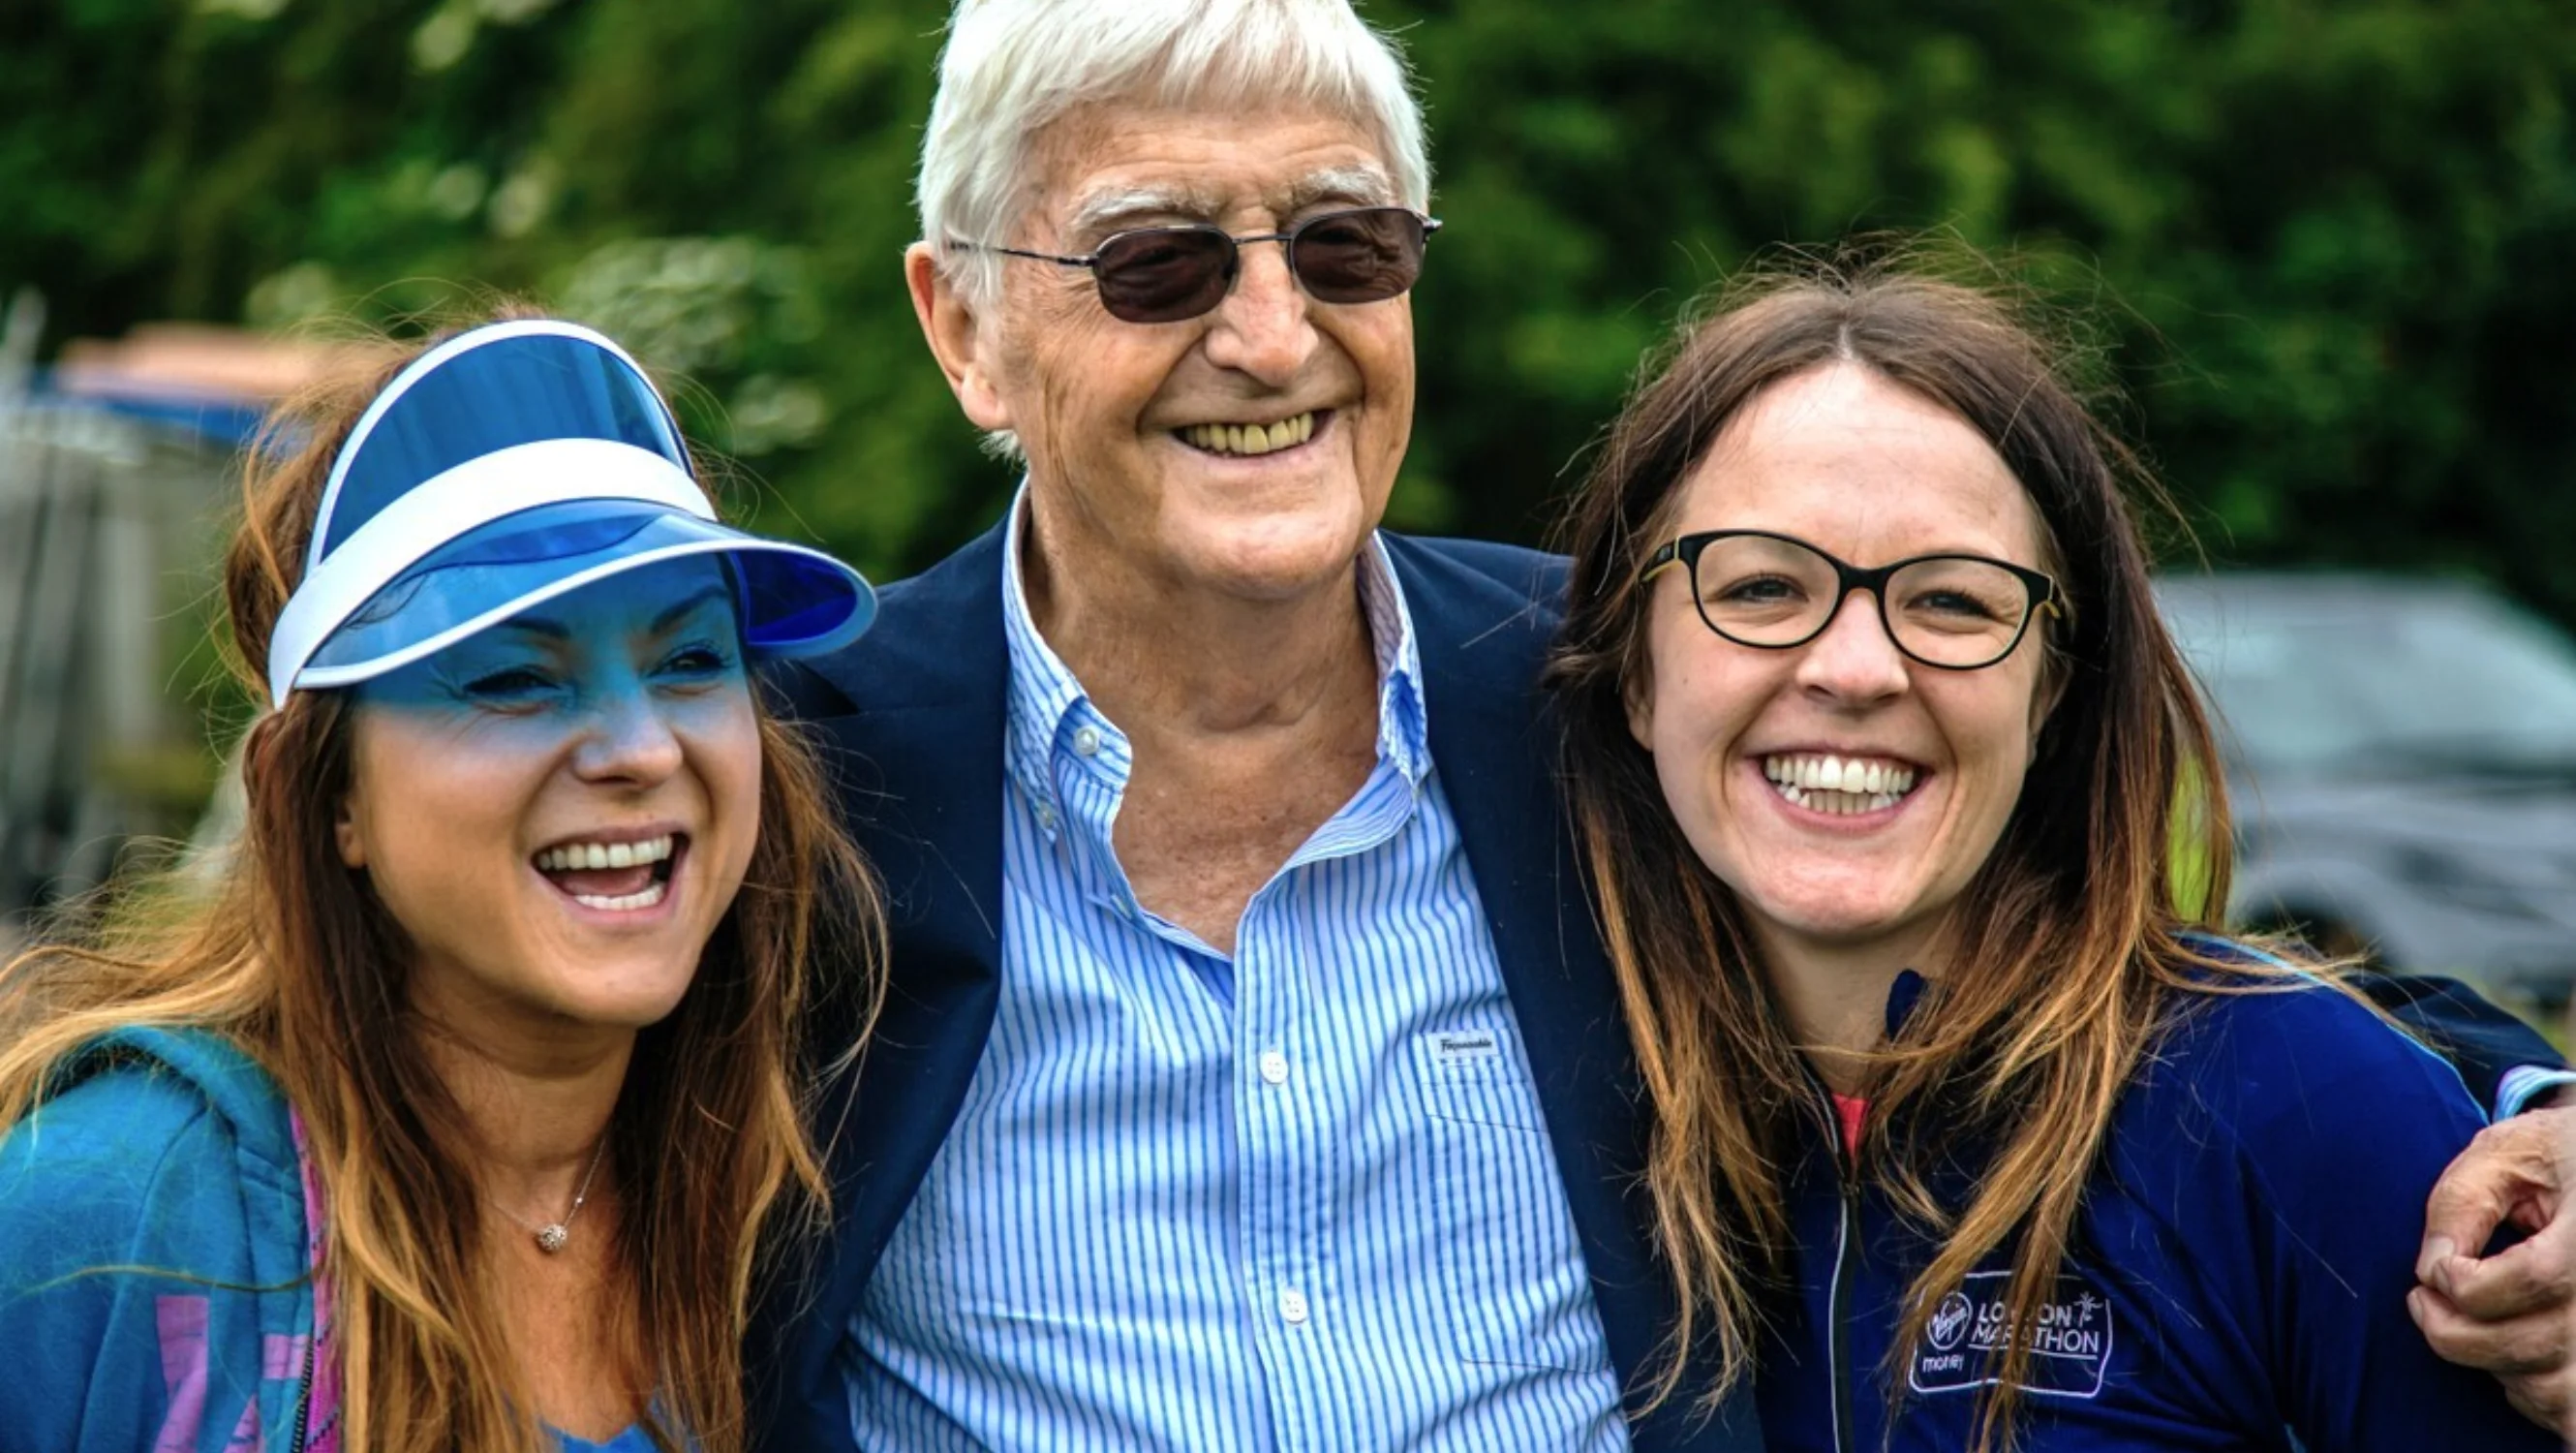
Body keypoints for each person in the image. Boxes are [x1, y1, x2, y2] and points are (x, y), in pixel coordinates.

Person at [751, 1, 2576, 1447]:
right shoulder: (807, 784)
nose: (1269, 329)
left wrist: (2520, 1104)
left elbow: (2102, 973)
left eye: (1345, 245)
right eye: (1155, 261)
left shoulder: (1595, 696)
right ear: (966, 325)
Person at [1546, 257, 2562, 1450]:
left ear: (2050, 692)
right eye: (1763, 587)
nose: (1855, 668)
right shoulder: (1533, 1119)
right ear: (1631, 668)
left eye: (1952, 603)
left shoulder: (2294, 1108)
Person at [0, 316, 883, 1453]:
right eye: (516, 676)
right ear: (324, 796)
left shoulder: (789, 1191)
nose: (643, 748)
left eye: (690, 661)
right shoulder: (112, 1213)